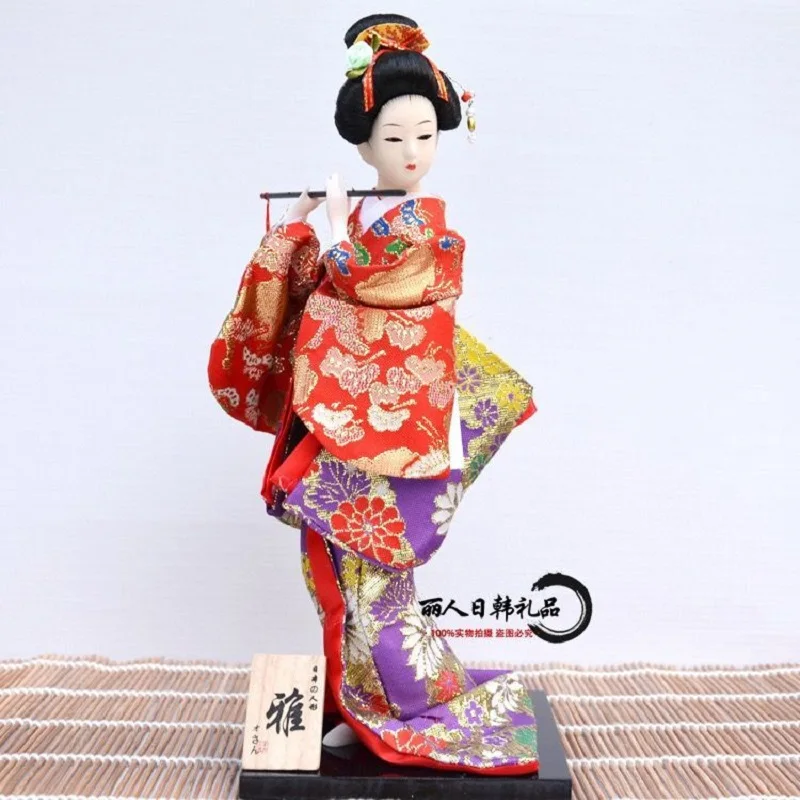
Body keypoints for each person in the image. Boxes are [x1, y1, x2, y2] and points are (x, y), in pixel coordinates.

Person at [207, 12, 539, 774]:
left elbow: (379, 290)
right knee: (329, 567)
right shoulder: (359, 215)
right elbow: (325, 293)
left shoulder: (430, 229)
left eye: (425, 135)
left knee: (376, 577)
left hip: (397, 423)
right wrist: (294, 232)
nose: (413, 152)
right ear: (363, 147)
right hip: (343, 418)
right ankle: (354, 699)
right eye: (394, 138)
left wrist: (335, 234)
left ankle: (398, 704)